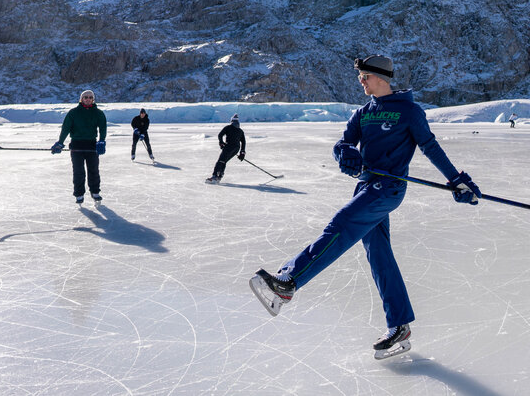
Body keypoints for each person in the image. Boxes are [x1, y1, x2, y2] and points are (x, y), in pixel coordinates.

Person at [248, 54, 482, 359]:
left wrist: (456, 180)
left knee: (341, 225)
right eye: (360, 76)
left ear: (380, 78)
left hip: (388, 189)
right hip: (366, 187)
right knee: (379, 255)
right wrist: (345, 155)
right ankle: (399, 326)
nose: (360, 81)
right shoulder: (363, 113)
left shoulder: (409, 111)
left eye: (364, 76)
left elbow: (430, 147)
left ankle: (289, 281)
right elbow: (343, 144)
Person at [52, 89, 107, 204]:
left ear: (93, 99)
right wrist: (60, 142)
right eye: (85, 97)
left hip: (92, 146)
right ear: (81, 99)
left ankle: (95, 191)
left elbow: (102, 128)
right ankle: (79, 193)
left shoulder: (98, 113)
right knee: (78, 171)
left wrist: (101, 141)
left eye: (90, 97)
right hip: (77, 145)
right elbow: (66, 128)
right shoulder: (73, 113)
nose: (88, 99)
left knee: (94, 170)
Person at [206, 113, 246, 184]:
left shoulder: (228, 127)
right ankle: (219, 176)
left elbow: (220, 135)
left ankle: (215, 176)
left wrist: (221, 143)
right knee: (223, 161)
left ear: (231, 121)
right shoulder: (240, 131)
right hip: (236, 148)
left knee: (220, 161)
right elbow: (243, 142)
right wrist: (242, 152)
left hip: (228, 147)